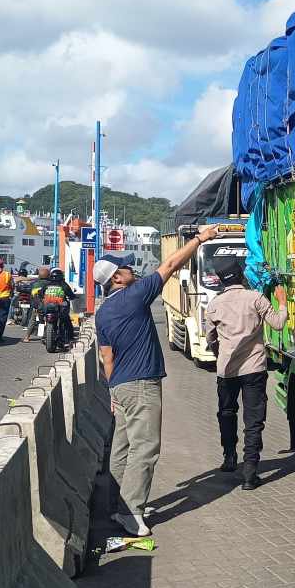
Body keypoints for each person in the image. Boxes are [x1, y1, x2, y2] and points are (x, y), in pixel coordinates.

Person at [97, 225, 220, 537]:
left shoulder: (103, 312)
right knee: (146, 448)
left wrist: (112, 390)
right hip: (141, 385)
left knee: (122, 448)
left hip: (121, 386)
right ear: (116, 278)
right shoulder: (134, 296)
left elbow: (106, 357)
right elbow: (169, 265)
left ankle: (116, 505)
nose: (131, 269)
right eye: (126, 267)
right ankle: (130, 511)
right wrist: (199, 239)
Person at [204, 258, 287, 489]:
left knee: (227, 413)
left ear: (221, 280)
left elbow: (210, 337)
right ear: (241, 275)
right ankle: (250, 473)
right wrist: (282, 303)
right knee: (253, 421)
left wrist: (221, 353)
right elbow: (278, 324)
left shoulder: (215, 304)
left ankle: (229, 457)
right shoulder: (255, 298)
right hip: (254, 369)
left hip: (227, 370)